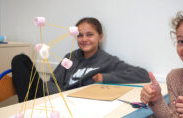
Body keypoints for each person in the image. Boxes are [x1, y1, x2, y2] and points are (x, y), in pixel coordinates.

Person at [12, 17, 150, 102]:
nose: (84, 39)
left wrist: (105, 77)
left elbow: (142, 74)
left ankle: (28, 104)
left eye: (89, 35)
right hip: (56, 98)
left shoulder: (108, 61)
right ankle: (28, 103)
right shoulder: (70, 57)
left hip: (77, 103)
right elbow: (54, 82)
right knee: (20, 60)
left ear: (100, 37)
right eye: (80, 35)